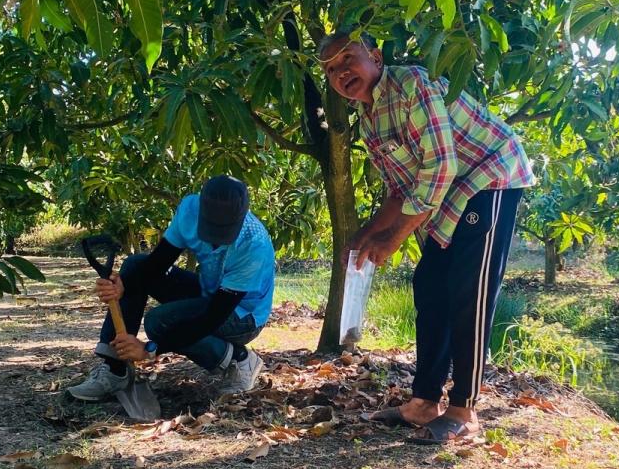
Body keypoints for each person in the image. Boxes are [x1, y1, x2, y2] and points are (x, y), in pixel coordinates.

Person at [318, 32, 535, 442]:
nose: (341, 72)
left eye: (348, 59)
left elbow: (440, 166)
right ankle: (423, 403)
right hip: (448, 195)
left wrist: (391, 240)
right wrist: (365, 235)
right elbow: (400, 190)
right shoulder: (369, 120)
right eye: (331, 69)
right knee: (430, 285)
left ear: (376, 57)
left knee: (469, 292)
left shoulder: (412, 85)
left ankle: (464, 411)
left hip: (491, 176)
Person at [68, 175, 276, 401]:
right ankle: (115, 369)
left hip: (243, 315)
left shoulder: (253, 244)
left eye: (224, 231)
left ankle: (240, 359)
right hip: (210, 290)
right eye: (211, 229)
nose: (216, 240)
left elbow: (213, 317)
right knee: (135, 266)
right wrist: (124, 286)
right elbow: (157, 264)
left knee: (159, 322)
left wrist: (150, 349)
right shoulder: (190, 210)